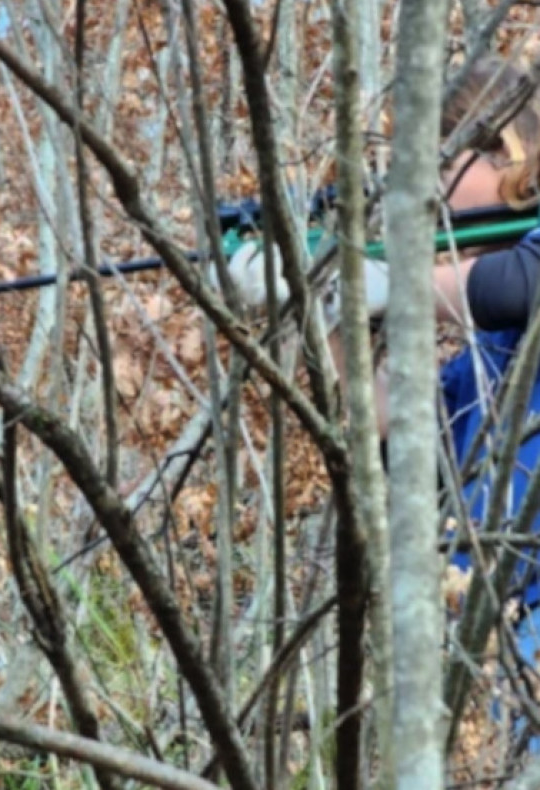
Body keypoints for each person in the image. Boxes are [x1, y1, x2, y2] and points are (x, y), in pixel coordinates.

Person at [226, 53, 540, 742]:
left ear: (507, 149)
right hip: (494, 657)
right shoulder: (486, 359)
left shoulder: (519, 276)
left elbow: (520, 282)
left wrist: (385, 281)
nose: (430, 194)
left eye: (443, 165)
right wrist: (326, 301)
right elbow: (399, 448)